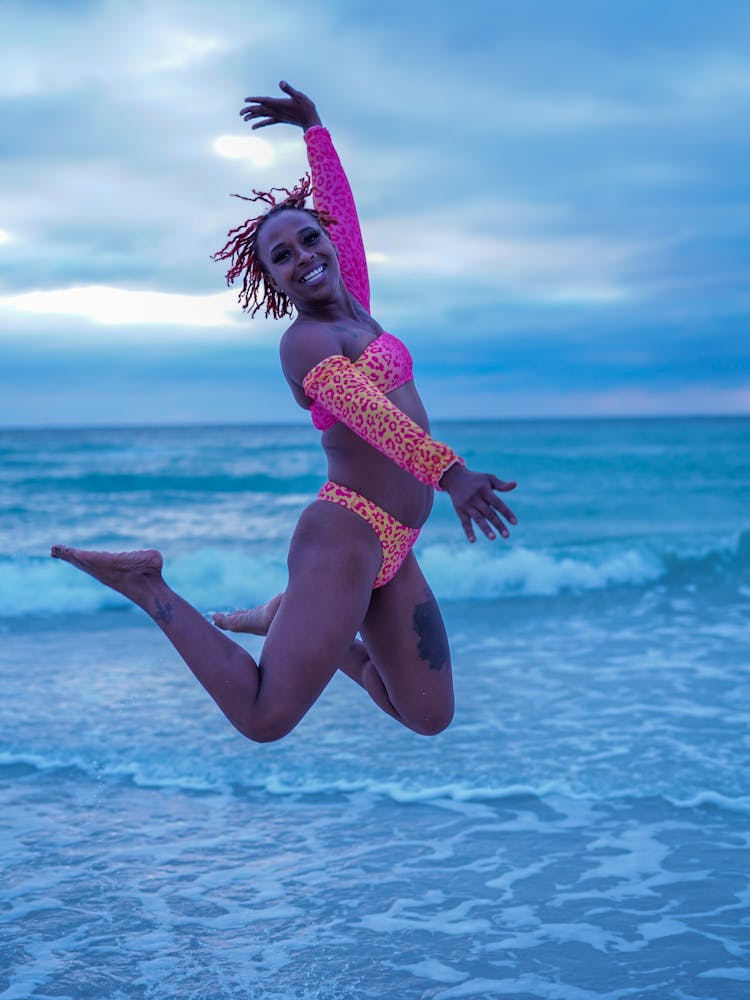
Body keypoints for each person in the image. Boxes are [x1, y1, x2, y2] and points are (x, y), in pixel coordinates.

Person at [51, 82, 517, 744]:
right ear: (272, 279)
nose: (304, 256)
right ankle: (147, 584)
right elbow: (372, 420)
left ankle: (286, 620)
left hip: (396, 542)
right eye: (283, 257)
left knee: (427, 713)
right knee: (265, 716)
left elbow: (341, 214)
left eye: (308, 240)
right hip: (344, 536)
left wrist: (315, 129)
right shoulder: (305, 343)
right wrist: (450, 472)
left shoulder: (354, 303)